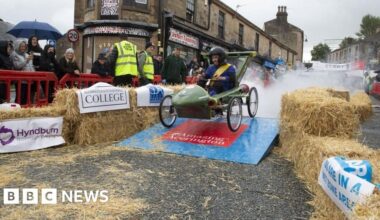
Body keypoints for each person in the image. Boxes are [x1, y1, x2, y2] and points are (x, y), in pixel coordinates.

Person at [10, 39, 35, 105]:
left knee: (26, 98)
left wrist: (34, 75)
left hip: (28, 80)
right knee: (20, 97)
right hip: (20, 80)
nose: (23, 48)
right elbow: (17, 66)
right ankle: (16, 110)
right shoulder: (14, 54)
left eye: (24, 46)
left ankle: (23, 111)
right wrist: (26, 60)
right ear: (18, 46)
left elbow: (31, 66)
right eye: (21, 46)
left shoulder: (27, 55)